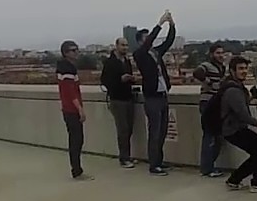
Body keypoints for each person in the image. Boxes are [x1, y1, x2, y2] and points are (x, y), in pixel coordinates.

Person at [214, 56, 257, 193]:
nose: (244, 71)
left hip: (232, 129)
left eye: (245, 68)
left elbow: (238, 106)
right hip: (234, 130)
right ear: (232, 71)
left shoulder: (233, 86)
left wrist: (253, 96)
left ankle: (234, 180)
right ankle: (256, 184)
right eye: (240, 69)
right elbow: (243, 115)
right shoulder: (233, 90)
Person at [133, 10, 176, 176]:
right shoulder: (140, 54)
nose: (149, 39)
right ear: (140, 41)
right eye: (146, 38)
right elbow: (148, 42)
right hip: (152, 98)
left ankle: (159, 161)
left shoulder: (155, 53)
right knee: (155, 132)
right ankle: (154, 164)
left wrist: (171, 24)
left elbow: (168, 41)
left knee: (163, 131)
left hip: (163, 96)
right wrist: (159, 24)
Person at [100, 37, 138, 168]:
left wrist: (132, 79)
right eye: (122, 45)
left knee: (129, 129)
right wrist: (120, 80)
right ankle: (124, 158)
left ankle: (127, 155)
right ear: (116, 46)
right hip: (117, 99)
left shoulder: (127, 61)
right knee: (122, 129)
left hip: (128, 97)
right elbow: (105, 81)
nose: (125, 48)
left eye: (127, 45)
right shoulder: (110, 62)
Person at [56, 40, 91, 180]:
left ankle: (76, 169)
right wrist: (80, 109)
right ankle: (77, 171)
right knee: (76, 140)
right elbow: (71, 92)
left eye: (77, 49)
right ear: (66, 53)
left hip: (67, 109)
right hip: (71, 110)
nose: (76, 52)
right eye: (73, 50)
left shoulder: (63, 67)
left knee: (75, 140)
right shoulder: (68, 69)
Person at [192, 43, 228, 177]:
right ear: (212, 54)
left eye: (222, 53)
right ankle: (207, 168)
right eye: (218, 53)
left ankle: (208, 166)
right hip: (207, 103)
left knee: (216, 136)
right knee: (210, 136)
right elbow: (197, 72)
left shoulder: (222, 68)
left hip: (216, 104)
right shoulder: (207, 65)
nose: (221, 55)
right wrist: (207, 82)